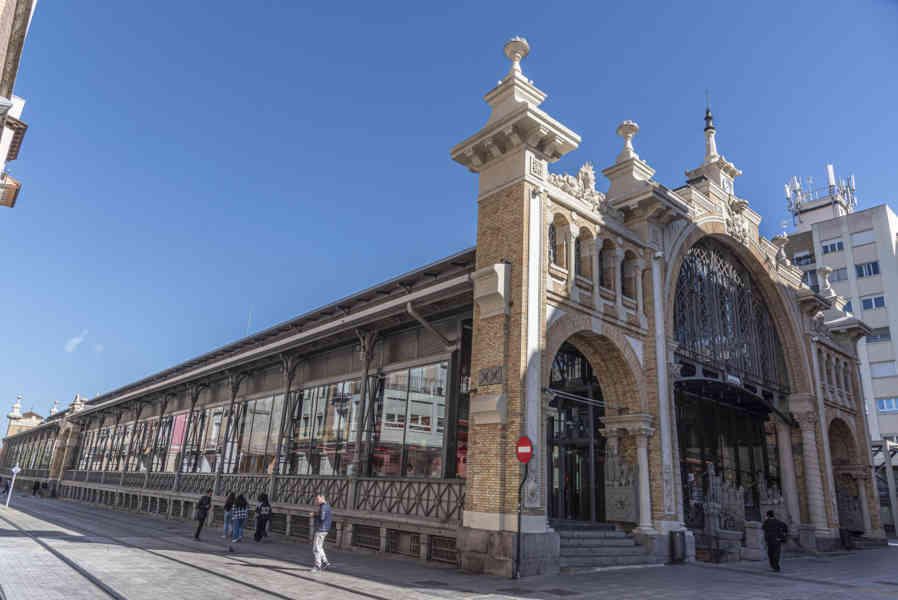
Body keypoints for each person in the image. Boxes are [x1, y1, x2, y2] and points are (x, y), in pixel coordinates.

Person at [311, 493, 331, 572]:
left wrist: (314, 515)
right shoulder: (327, 505)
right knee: (319, 547)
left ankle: (318, 565)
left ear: (322, 498)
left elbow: (322, 518)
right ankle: (325, 562)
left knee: (316, 548)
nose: (316, 501)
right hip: (325, 529)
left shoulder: (323, 507)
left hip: (321, 529)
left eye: (318, 499)